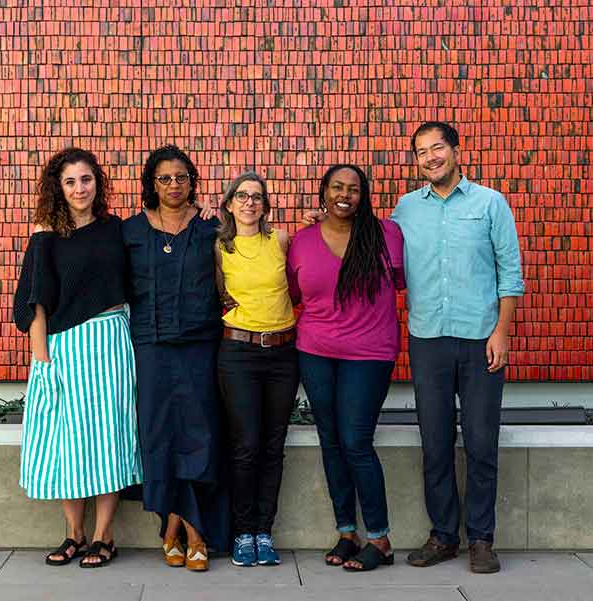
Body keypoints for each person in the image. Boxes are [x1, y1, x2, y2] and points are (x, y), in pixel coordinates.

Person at [396, 122, 524, 574]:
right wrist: (321, 225)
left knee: (481, 442)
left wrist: (502, 332)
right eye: (421, 152)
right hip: (428, 339)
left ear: (455, 150)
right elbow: (376, 251)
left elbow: (510, 273)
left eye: (437, 148)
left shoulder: (491, 203)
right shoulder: (405, 209)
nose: (430, 157)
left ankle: (482, 539)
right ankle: (444, 535)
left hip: (480, 339)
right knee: (434, 444)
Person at [13, 147, 142, 568]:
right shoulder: (45, 236)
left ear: (96, 183)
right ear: (59, 187)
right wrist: (41, 360)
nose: (79, 188)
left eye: (86, 179)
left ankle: (105, 536)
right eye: (70, 181)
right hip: (62, 348)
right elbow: (35, 302)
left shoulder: (115, 230)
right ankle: (74, 534)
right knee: (67, 441)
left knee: (109, 438)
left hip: (108, 343)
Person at [286, 164, 405, 572]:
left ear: (364, 195)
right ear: (323, 192)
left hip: (369, 354)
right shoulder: (301, 241)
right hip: (315, 351)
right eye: (337, 187)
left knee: (355, 440)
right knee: (331, 440)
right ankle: (347, 532)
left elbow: (404, 280)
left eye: (354, 188)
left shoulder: (387, 235)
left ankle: (381, 538)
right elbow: (295, 292)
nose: (345, 194)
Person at [122, 144, 230, 571]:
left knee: (199, 433)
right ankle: (179, 525)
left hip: (200, 345)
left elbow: (259, 244)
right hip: (148, 347)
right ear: (151, 183)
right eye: (164, 178)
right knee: (159, 434)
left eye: (181, 177)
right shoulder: (129, 230)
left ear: (193, 182)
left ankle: (189, 529)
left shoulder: (211, 229)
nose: (173, 185)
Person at [214, 171, 298, 567]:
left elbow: (297, 287)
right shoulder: (219, 245)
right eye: (242, 196)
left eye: (258, 196)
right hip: (239, 353)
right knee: (246, 445)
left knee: (273, 446)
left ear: (266, 205)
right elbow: (217, 294)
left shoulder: (280, 240)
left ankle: (265, 531)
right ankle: (242, 532)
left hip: (282, 352)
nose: (250, 202)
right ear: (230, 203)